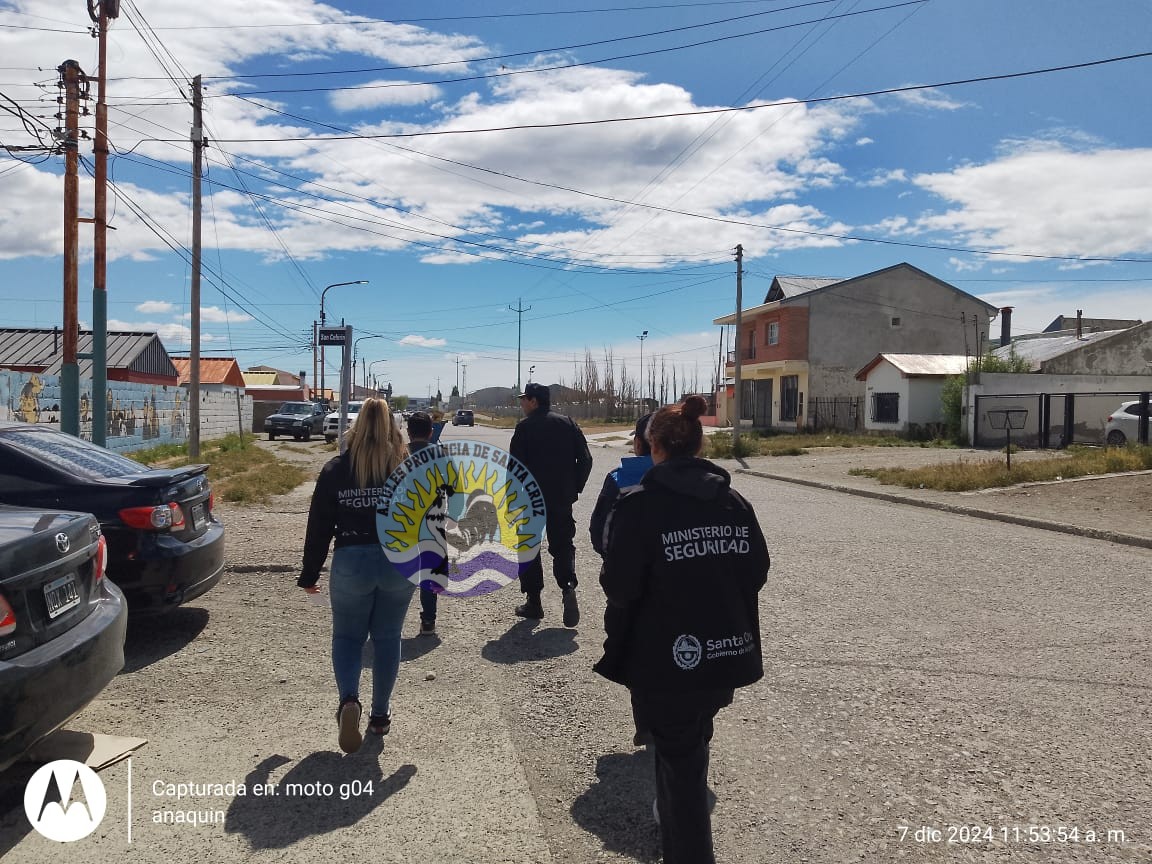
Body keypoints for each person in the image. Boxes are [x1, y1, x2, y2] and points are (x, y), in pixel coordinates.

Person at [593, 394, 770, 864]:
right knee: (688, 749)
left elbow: (620, 585)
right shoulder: (733, 501)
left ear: (655, 447)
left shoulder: (639, 506)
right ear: (698, 445)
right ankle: (672, 822)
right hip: (725, 654)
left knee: (683, 766)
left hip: (666, 661)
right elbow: (757, 571)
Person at [299, 398, 413, 754]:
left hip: (351, 560)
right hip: (399, 562)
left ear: (356, 425)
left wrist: (309, 572)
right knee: (388, 637)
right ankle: (379, 717)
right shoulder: (407, 468)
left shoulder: (336, 469)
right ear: (393, 428)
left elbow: (318, 526)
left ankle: (349, 700)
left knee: (348, 638)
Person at [509, 382, 593, 627]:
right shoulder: (567, 423)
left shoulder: (524, 428)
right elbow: (586, 459)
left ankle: (534, 602)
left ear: (534, 401)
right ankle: (567, 587)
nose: (522, 403)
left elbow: (514, 469)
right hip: (560, 498)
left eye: (524, 399)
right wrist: (574, 487)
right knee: (563, 544)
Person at [589, 411, 653, 557]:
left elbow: (599, 532)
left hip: (628, 569)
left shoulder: (619, 479)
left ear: (637, 443)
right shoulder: (700, 479)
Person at [406, 410, 442, 637]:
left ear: (408, 433)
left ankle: (388, 620)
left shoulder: (398, 454)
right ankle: (428, 620)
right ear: (431, 432)